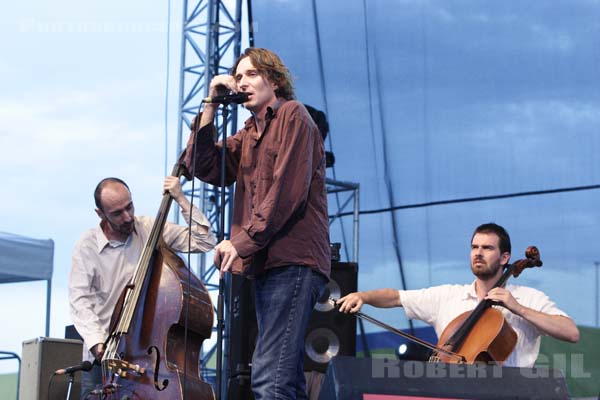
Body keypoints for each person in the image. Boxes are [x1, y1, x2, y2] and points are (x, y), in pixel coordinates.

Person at [185, 47, 330, 399]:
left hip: (293, 261)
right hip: (266, 265)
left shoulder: (293, 116)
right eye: (238, 77)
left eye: (251, 74)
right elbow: (201, 164)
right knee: (285, 375)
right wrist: (210, 104)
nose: (242, 82)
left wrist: (240, 242)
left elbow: (285, 195)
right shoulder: (249, 133)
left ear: (275, 80)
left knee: (271, 377)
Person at [337, 223, 579, 368]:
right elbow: (396, 297)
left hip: (514, 391)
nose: (478, 253)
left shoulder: (528, 297)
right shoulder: (448, 296)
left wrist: (518, 308)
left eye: (487, 248)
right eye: (474, 247)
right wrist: (364, 296)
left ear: (505, 258)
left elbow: (571, 332)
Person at [68, 176, 216, 396]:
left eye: (129, 207)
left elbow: (205, 241)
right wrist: (99, 345)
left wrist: (181, 199)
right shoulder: (87, 247)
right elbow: (80, 301)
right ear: (101, 214)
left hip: (146, 360)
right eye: (117, 213)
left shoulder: (150, 229)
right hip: (104, 359)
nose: (128, 217)